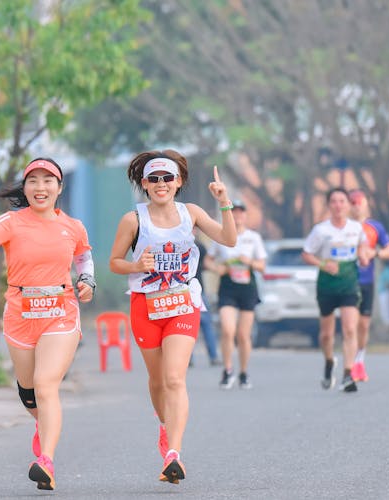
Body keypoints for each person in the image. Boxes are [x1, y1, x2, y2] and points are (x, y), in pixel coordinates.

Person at [0, 158, 95, 491]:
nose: (40, 187)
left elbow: (83, 255)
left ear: (59, 188)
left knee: (45, 383)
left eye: (48, 181)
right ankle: (44, 426)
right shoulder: (12, 222)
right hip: (20, 314)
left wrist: (88, 280)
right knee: (29, 392)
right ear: (25, 188)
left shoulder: (73, 226)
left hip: (60, 312)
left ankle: (45, 462)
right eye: (33, 181)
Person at [109, 150, 237, 484]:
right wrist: (137, 266)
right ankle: (166, 428)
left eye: (167, 178)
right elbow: (114, 262)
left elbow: (229, 239)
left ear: (178, 182)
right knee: (157, 381)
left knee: (175, 378)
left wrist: (224, 202)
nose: (161, 184)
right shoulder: (133, 220)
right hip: (146, 306)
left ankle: (173, 455)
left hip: (182, 303)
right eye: (154, 179)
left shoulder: (191, 214)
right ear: (144, 184)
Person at [302, 188, 369, 393]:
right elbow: (306, 254)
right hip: (327, 286)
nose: (338, 205)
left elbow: (362, 246)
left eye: (342, 201)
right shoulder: (321, 230)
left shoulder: (356, 228)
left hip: (349, 284)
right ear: (329, 205)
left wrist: (364, 255)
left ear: (348, 205)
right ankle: (329, 361)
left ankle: (348, 374)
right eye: (334, 201)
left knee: (350, 328)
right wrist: (323, 264)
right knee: (326, 335)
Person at [204, 199, 267, 390]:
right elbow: (207, 261)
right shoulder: (221, 236)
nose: (237, 216)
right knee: (227, 329)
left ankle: (244, 372)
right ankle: (228, 369)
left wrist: (249, 262)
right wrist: (218, 268)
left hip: (247, 286)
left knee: (243, 334)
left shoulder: (253, 238)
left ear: (245, 215)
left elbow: (262, 266)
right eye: (234, 212)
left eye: (240, 212)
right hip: (228, 287)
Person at [348, 189, 389, 382]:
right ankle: (349, 365)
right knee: (351, 324)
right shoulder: (343, 228)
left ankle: (360, 361)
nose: (357, 206)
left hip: (367, 281)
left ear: (366, 204)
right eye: (353, 202)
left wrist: (375, 254)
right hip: (348, 281)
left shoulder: (375, 228)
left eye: (360, 202)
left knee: (363, 326)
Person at [190, 232, 220, 367]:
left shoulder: (199, 247)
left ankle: (213, 356)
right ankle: (189, 357)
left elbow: (206, 263)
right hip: (183, 291)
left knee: (204, 323)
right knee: (187, 326)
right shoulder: (198, 246)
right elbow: (206, 264)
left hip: (197, 291)